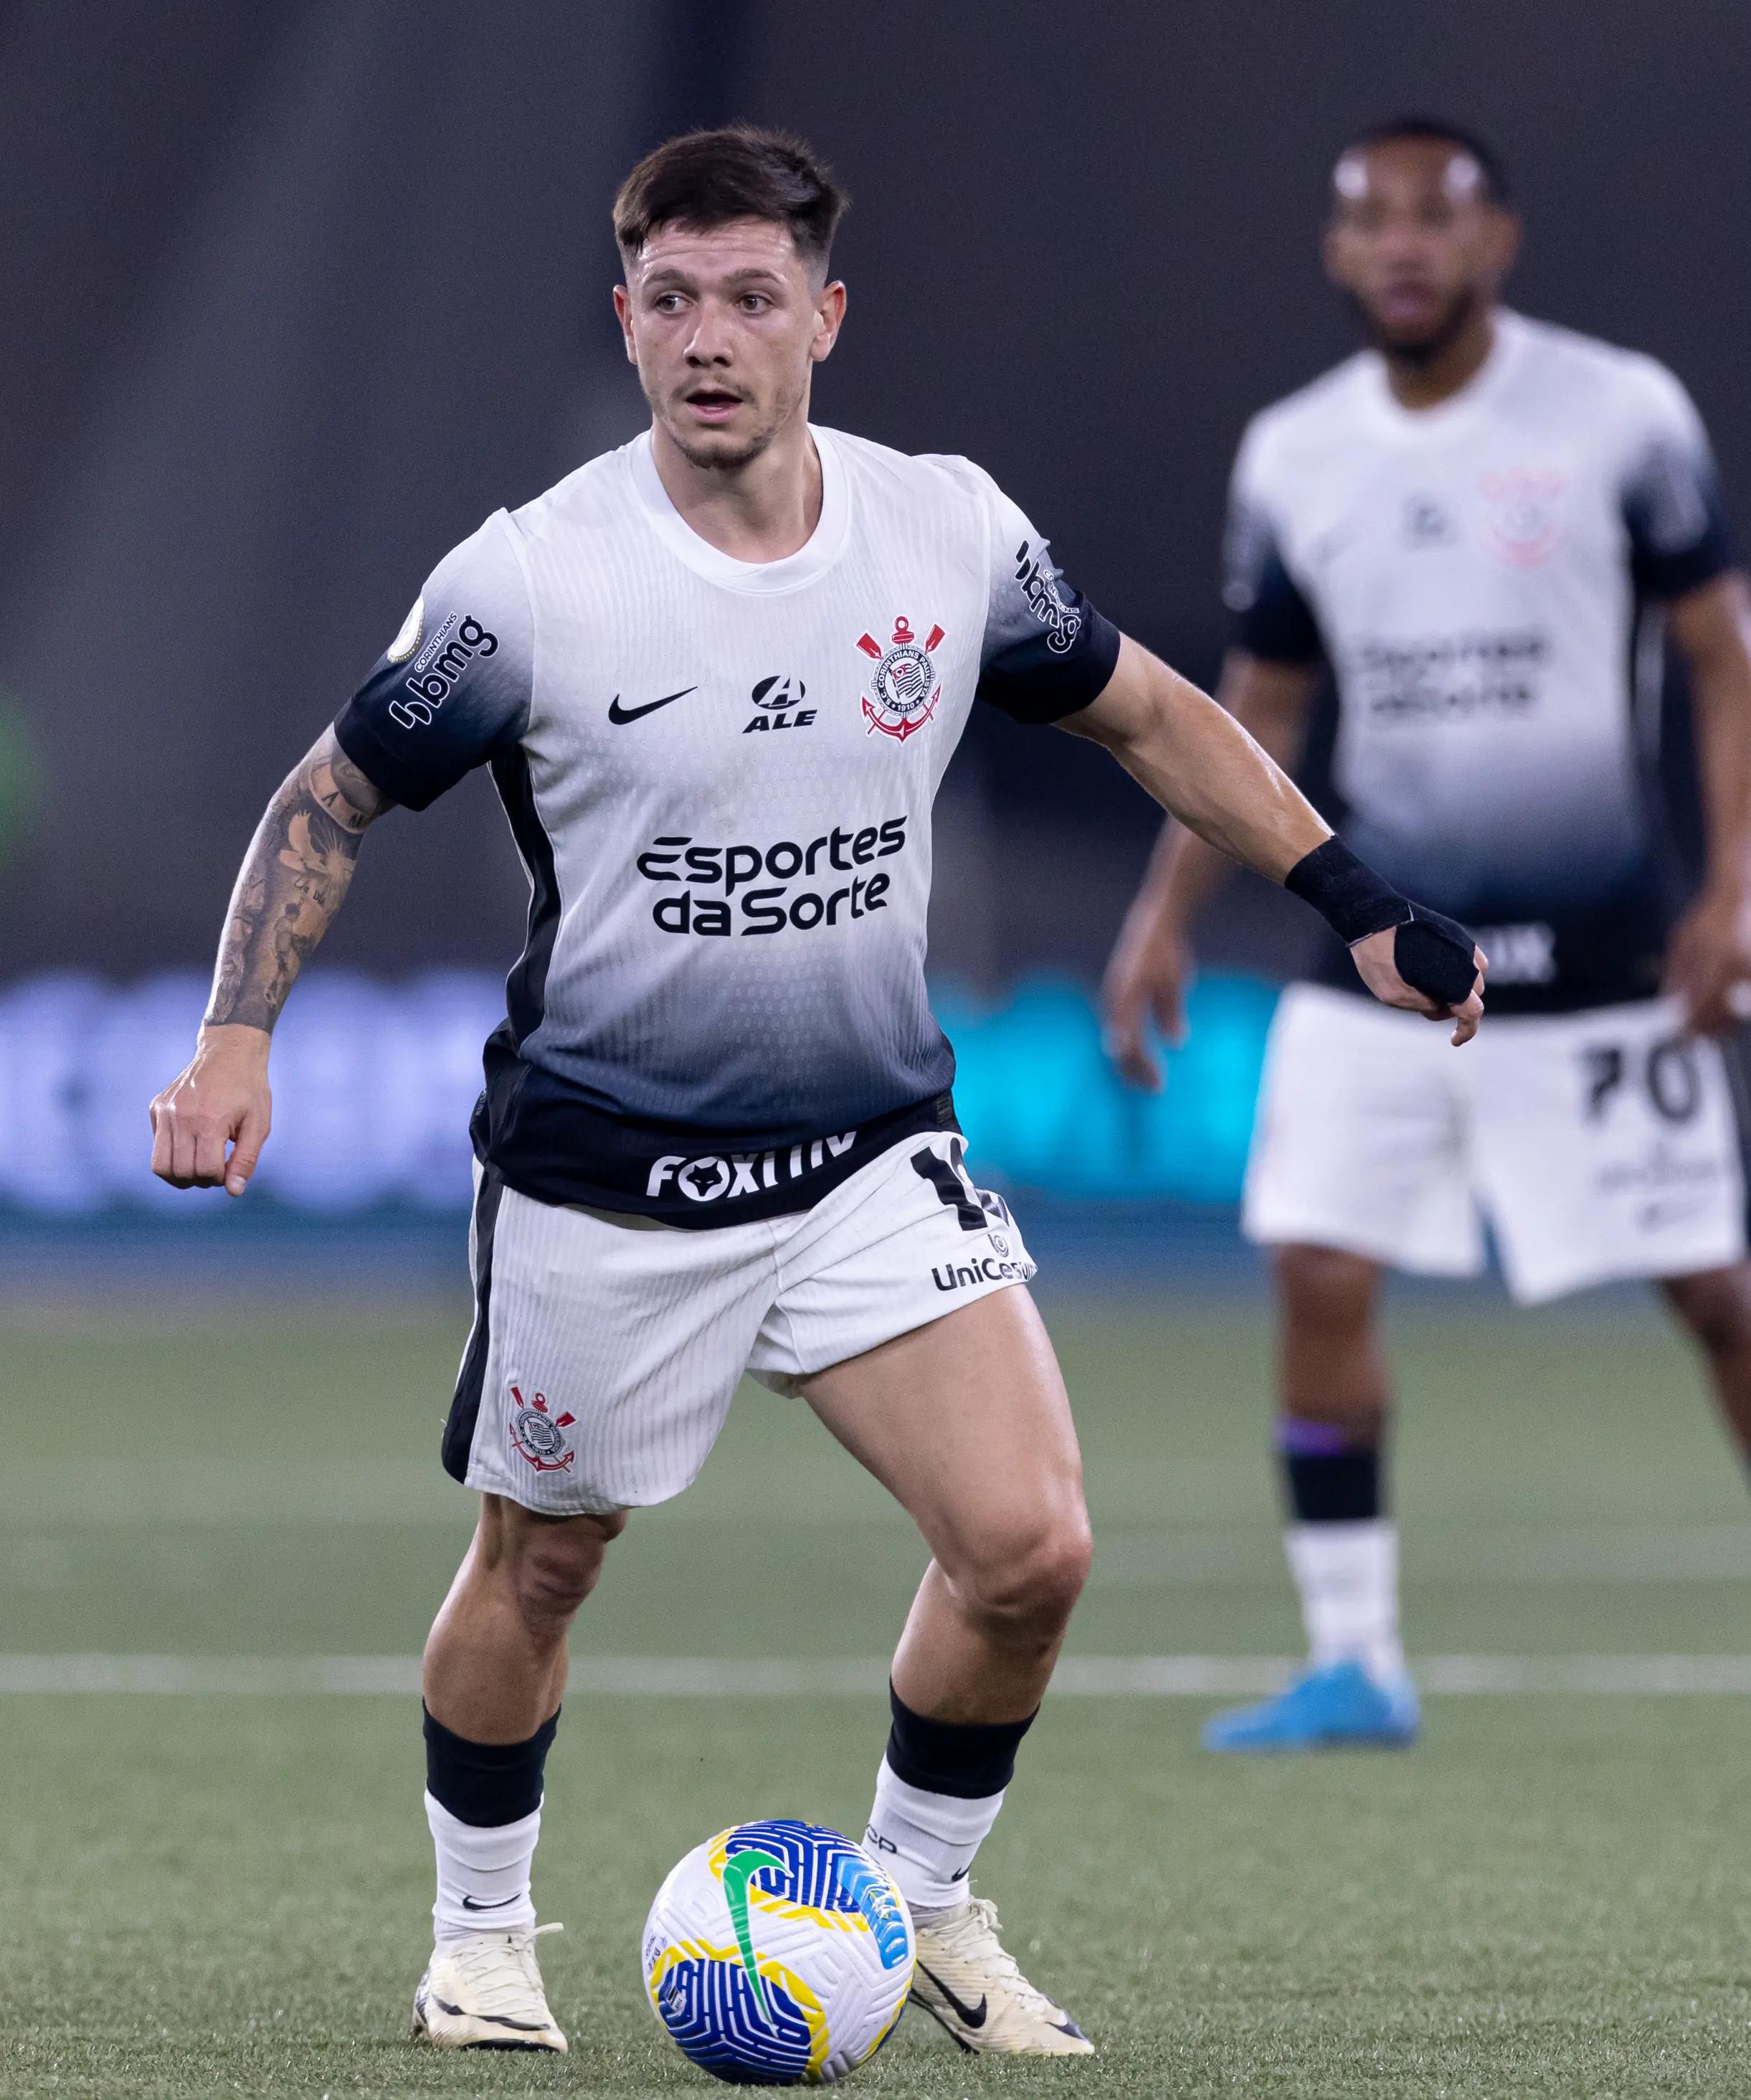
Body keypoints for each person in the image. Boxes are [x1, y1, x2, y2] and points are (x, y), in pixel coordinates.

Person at [149, 126, 1484, 2057]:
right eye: (672, 299)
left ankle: (928, 1909)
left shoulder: (942, 535)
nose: (712, 335)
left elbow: (1143, 712)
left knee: (1033, 1547)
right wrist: (234, 1032)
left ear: (824, 320)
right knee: (544, 1559)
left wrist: (1350, 899)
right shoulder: (533, 581)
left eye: (752, 297)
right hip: (608, 1181)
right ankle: (479, 1935)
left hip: (868, 1157)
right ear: (625, 326)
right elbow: (330, 795)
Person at [1103, 117, 1751, 1760]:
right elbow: (1260, 706)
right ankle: (1355, 1662)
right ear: (1336, 251)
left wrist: (1743, 885)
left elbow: (1728, 655)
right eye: (1372, 217)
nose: (1405, 244)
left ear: (1497, 237)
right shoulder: (1296, 455)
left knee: (1720, 1293)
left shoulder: (1618, 414)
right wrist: (1167, 913)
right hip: (1386, 958)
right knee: (1314, 1272)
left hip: (1598, 958)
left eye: (1440, 214)